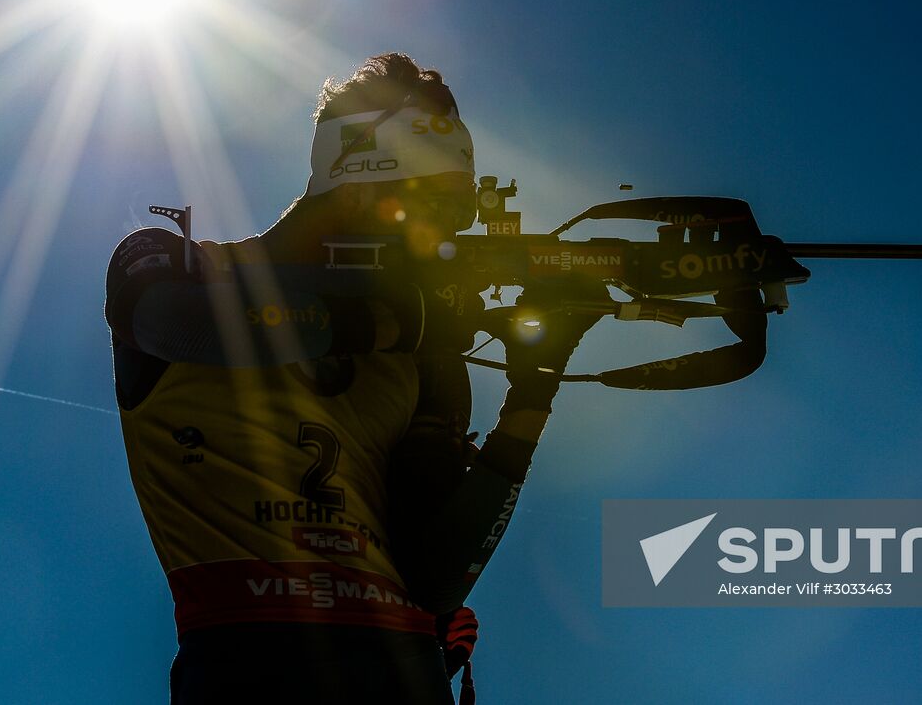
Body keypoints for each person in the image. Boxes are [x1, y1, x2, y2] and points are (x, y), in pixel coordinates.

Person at [104, 53, 602, 703]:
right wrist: (396, 321)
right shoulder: (185, 267)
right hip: (249, 666)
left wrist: (531, 397)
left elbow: (434, 579)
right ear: (363, 183)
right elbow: (171, 321)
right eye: (429, 210)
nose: (438, 241)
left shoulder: (420, 347)